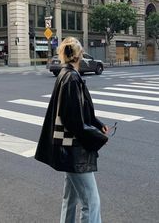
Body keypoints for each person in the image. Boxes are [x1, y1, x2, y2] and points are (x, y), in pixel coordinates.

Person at [35, 37, 109, 223]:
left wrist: (97, 123)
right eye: (82, 52)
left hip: (68, 147)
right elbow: (74, 120)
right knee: (91, 202)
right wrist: (97, 137)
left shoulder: (65, 74)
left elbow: (78, 110)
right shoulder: (72, 78)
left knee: (71, 198)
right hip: (75, 150)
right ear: (78, 55)